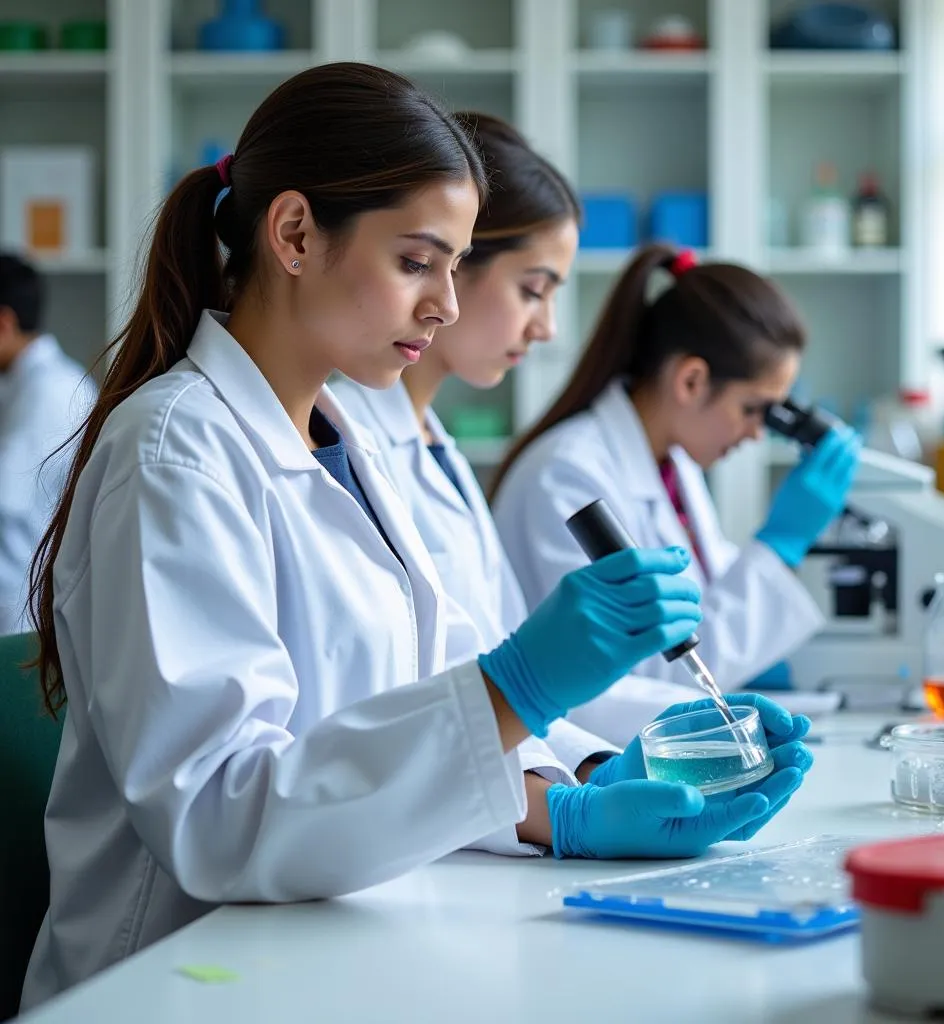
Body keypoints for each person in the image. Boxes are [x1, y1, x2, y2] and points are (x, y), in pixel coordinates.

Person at [20, 64, 728, 1009]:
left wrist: (567, 802)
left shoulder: (353, 444)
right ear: (297, 234)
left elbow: (405, 715)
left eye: (455, 265)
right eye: (416, 261)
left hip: (339, 936)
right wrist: (514, 690)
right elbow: (220, 818)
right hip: (179, 979)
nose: (445, 303)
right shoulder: (174, 450)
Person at [332, 113, 812, 835]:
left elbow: (488, 685)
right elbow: (418, 706)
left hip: (457, 816)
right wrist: (566, 811)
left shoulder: (438, 451)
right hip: (391, 837)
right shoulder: (361, 444)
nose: (549, 327)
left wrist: (590, 771)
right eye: (534, 288)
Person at [491, 244, 861, 741]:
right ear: (691, 380)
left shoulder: (674, 467)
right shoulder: (567, 476)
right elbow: (648, 673)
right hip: (588, 759)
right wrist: (778, 548)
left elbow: (702, 618)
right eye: (755, 409)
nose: (758, 433)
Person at [0, 254, 96, 634]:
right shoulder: (22, 385)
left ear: (4, 323)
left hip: (24, 612)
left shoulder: (51, 391)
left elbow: (6, 499)